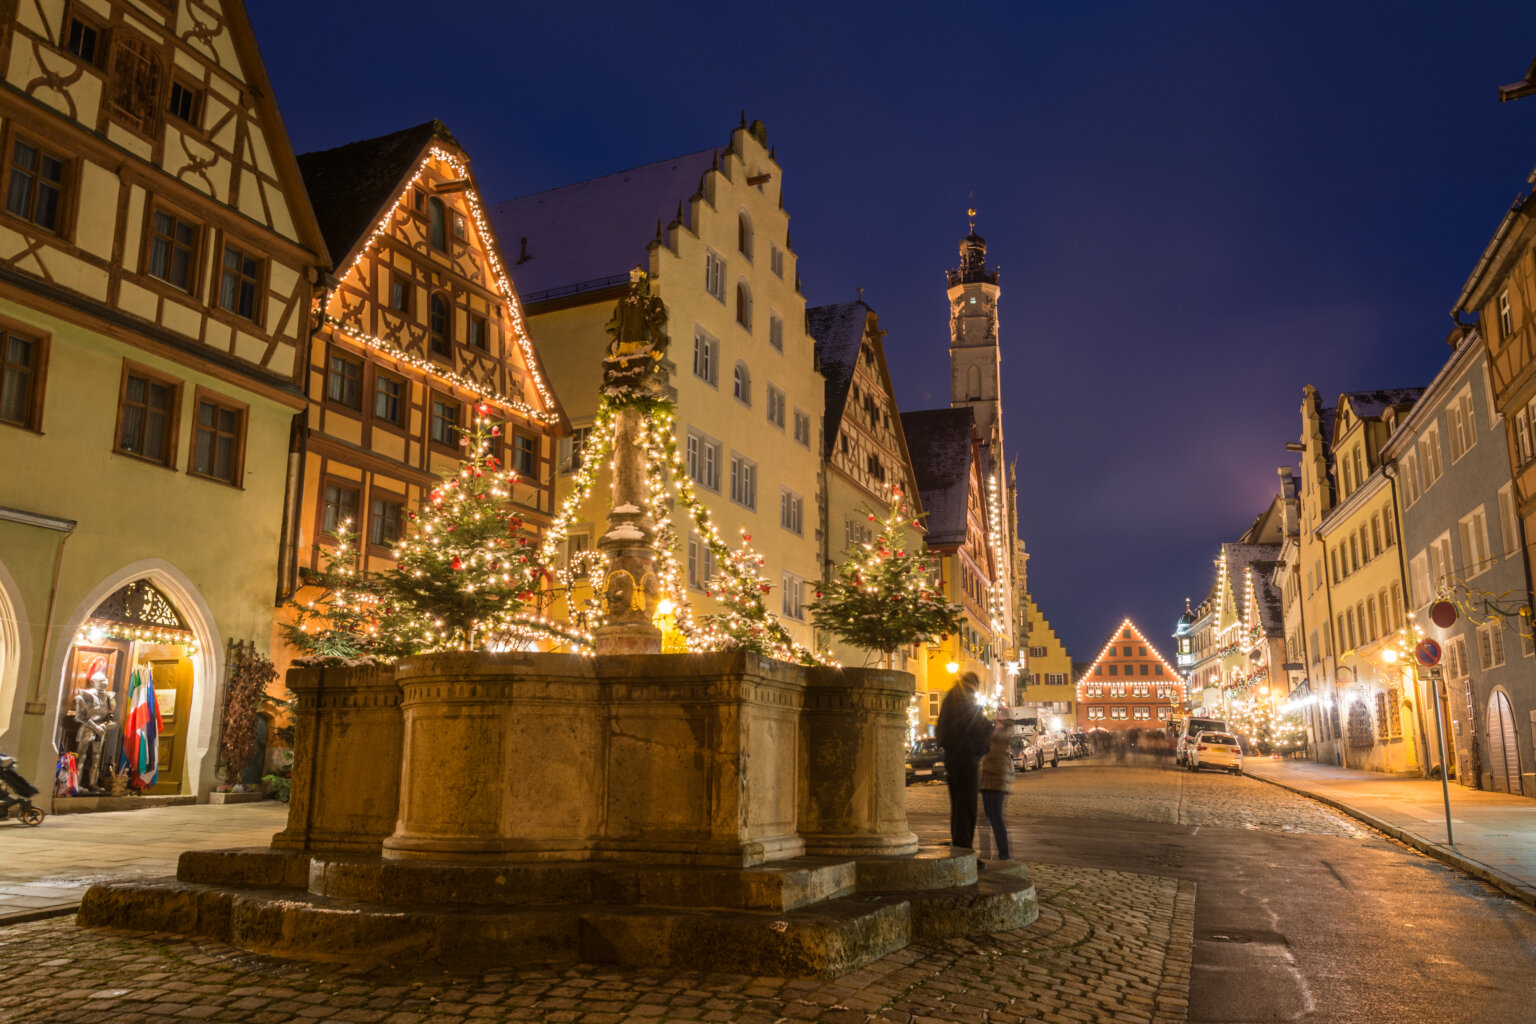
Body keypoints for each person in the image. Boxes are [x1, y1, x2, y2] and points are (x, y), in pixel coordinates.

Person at [936, 671, 990, 851]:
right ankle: (964, 850)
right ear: (973, 685)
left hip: (953, 756)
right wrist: (988, 732)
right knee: (966, 806)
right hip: (965, 758)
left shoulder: (951, 698)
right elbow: (976, 726)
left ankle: (960, 847)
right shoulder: (963, 699)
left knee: (958, 804)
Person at [979, 720, 1014, 861]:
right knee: (991, 819)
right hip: (989, 785)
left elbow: (994, 766)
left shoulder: (997, 743)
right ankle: (997, 853)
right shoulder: (995, 743)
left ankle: (1003, 854)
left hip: (994, 786)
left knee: (996, 819)